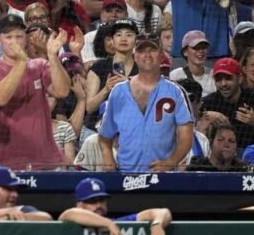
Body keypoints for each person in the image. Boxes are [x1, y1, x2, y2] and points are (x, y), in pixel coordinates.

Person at [0, 13, 70, 170]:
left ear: (26, 39)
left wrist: (52, 56)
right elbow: (0, 98)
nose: (15, 42)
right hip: (5, 162)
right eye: (9, 37)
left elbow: (62, 91)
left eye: (19, 36)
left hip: (45, 161)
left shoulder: (39, 65)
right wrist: (21, 63)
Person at [99, 34, 194, 171]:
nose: (147, 55)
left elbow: (186, 136)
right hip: (125, 177)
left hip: (162, 178)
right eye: (142, 51)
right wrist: (107, 156)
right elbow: (104, 136)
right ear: (135, 56)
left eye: (152, 50)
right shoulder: (118, 92)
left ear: (161, 55)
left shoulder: (176, 92)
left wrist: (170, 162)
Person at [59, 177, 172, 235]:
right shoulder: (73, 223)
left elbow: (162, 212)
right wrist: (109, 224)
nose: (98, 205)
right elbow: (68, 214)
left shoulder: (119, 223)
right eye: (92, 201)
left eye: (102, 200)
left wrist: (157, 224)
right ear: (79, 205)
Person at [201, 57, 254, 148]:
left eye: (228, 78)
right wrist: (205, 117)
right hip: (220, 154)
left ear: (240, 78)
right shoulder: (208, 102)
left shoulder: (251, 97)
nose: (223, 84)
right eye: (218, 79)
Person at [169, 30, 216, 96]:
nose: (201, 51)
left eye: (204, 47)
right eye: (196, 48)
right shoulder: (175, 76)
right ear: (185, 52)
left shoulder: (213, 75)